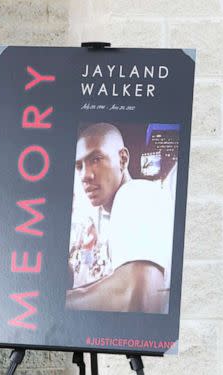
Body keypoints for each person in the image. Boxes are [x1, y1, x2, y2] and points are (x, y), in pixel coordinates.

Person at [66, 123, 173, 314]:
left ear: (122, 159)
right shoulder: (127, 203)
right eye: (78, 166)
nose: (85, 175)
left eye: (96, 159)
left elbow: (139, 297)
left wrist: (54, 303)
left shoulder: (134, 193)